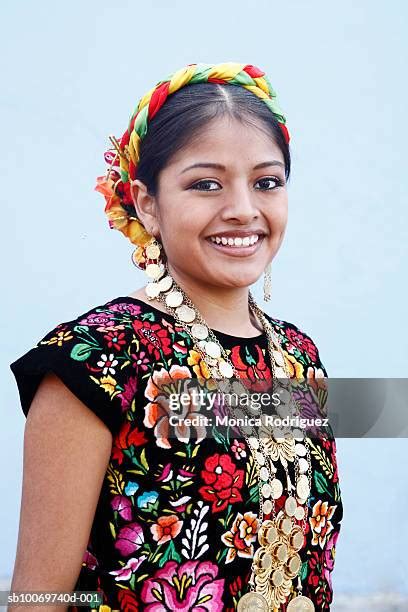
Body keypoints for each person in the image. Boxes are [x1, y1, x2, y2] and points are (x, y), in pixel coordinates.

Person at [9, 62, 343, 611]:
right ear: (145, 203)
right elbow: (36, 597)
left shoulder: (299, 359)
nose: (242, 210)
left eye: (267, 182)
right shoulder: (98, 358)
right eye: (206, 184)